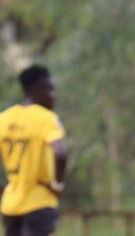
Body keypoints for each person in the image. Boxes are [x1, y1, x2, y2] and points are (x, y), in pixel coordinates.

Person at [0, 65, 67, 236]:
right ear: (36, 90)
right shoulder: (46, 118)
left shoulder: (5, 118)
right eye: (50, 90)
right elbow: (60, 153)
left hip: (10, 205)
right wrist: (58, 185)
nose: (54, 96)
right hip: (39, 202)